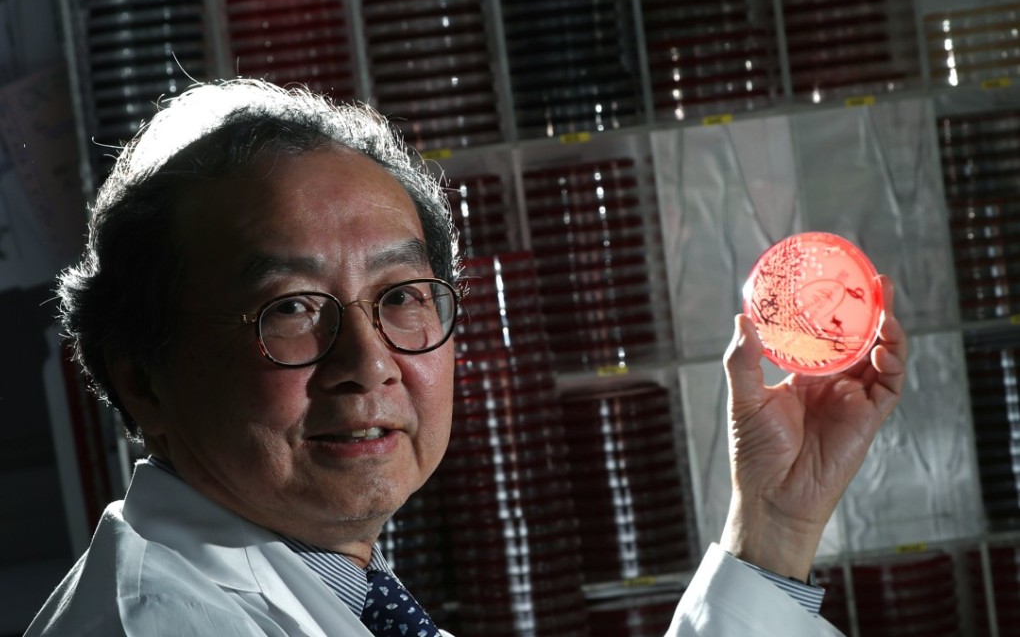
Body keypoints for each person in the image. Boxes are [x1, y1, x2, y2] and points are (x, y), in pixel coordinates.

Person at [25, 79, 907, 636]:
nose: (368, 362)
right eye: (291, 308)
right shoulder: (165, 623)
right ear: (142, 374)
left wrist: (774, 526)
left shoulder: (336, 587)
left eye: (403, 296)